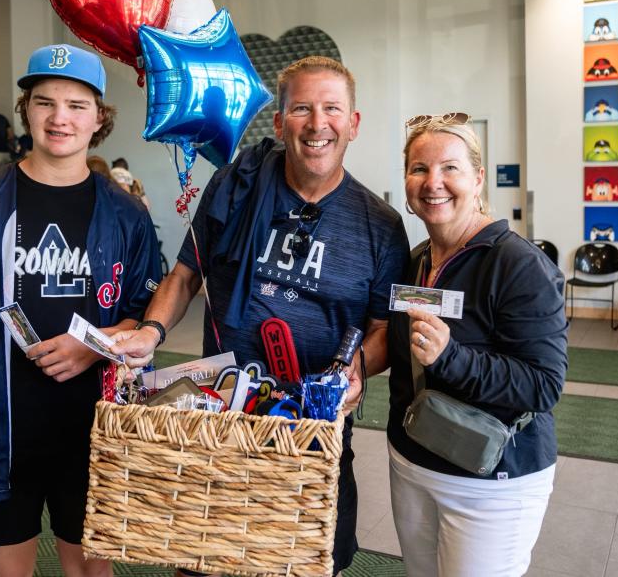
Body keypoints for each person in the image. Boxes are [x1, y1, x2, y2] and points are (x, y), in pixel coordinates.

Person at [111, 55, 410, 576]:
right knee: (202, 560)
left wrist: (357, 367)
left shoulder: (380, 226)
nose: (318, 125)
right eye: (301, 109)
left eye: (332, 109)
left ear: (353, 124)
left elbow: (384, 329)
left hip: (311, 431)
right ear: (278, 122)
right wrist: (151, 331)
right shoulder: (234, 188)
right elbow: (185, 275)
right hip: (219, 419)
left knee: (311, 564)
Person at [0, 43, 162, 577]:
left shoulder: (127, 214)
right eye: (44, 102)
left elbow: (142, 317)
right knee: (3, 573)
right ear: (26, 111)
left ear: (99, 118)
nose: (59, 118)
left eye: (76, 105)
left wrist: (95, 347)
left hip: (93, 428)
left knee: (91, 571)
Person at [387, 113, 567, 577]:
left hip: (493, 481)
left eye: (450, 168)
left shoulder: (519, 265)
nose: (433, 183)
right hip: (412, 462)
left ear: (478, 177)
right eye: (419, 169)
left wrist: (452, 358)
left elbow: (543, 386)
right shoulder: (415, 262)